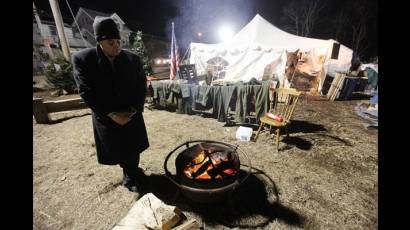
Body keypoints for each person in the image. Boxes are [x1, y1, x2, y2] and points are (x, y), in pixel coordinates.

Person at [72, 17, 149, 193]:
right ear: (99, 42)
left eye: (118, 41)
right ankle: (129, 175)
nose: (116, 46)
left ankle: (132, 171)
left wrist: (134, 110)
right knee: (118, 146)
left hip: (130, 112)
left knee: (133, 144)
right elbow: (85, 90)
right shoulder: (84, 59)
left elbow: (140, 86)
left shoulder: (132, 59)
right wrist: (111, 114)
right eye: (110, 42)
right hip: (107, 113)